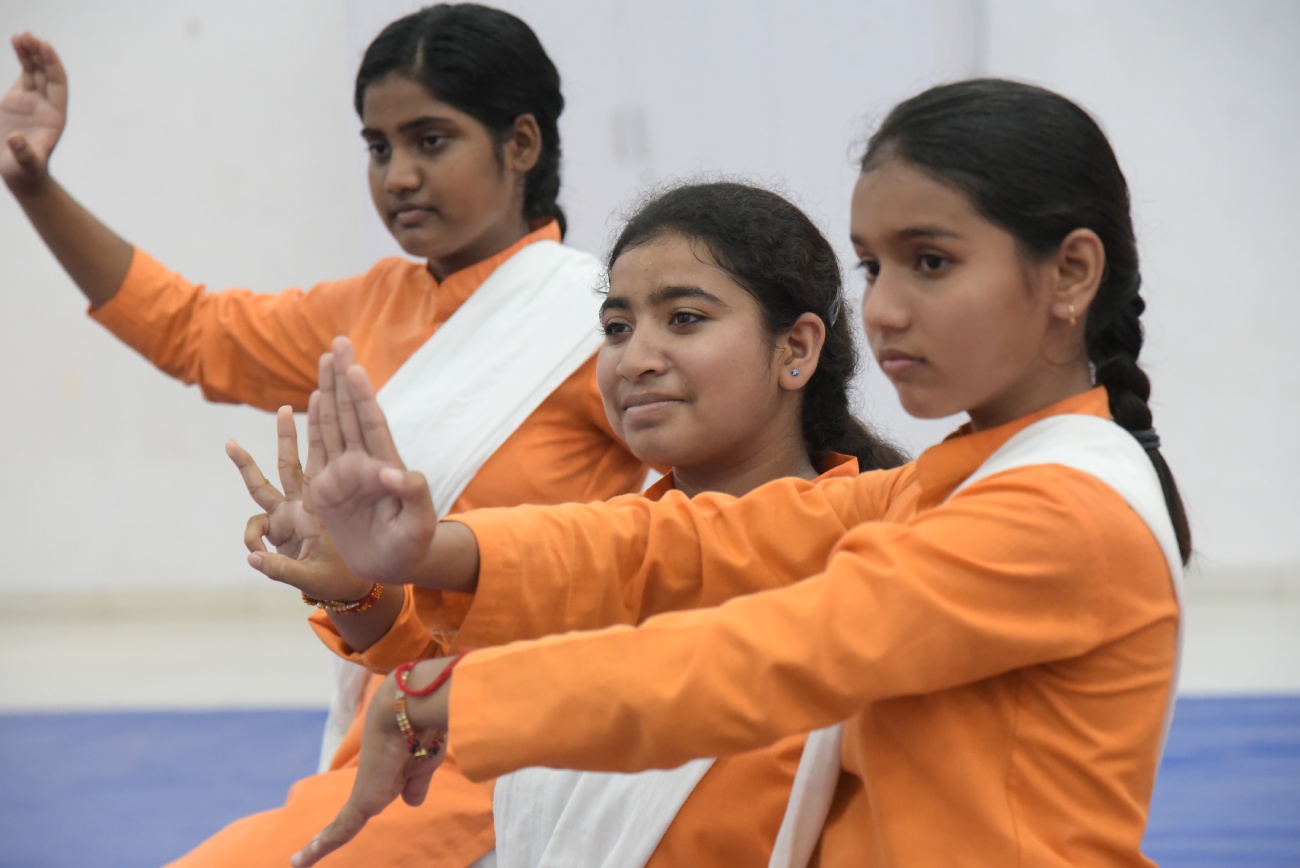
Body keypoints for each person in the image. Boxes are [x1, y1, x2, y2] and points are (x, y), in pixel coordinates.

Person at [292, 78, 1192, 867]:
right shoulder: (951, 480)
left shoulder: (1055, 512)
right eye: (873, 266)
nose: (884, 308)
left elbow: (769, 654)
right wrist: (428, 549)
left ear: (1071, 272)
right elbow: (674, 546)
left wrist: (451, 695)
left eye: (931, 262)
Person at [1, 7, 647, 867]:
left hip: (524, 748)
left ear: (520, 143)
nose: (399, 176)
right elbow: (194, 331)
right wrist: (35, 188)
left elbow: (702, 525)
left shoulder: (595, 325)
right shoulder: (369, 306)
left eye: (430, 140)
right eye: (378, 147)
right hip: (391, 727)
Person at [241, 180, 907, 866]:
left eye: (684, 318)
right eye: (617, 328)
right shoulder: (599, 547)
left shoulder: (872, 557)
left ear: (796, 349)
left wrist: (426, 554)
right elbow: (466, 669)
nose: (636, 359)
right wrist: (354, 588)